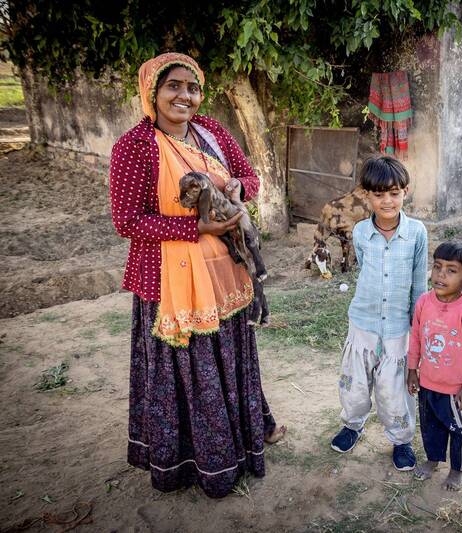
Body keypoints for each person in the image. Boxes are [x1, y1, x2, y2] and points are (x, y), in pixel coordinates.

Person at [109, 52, 284, 499]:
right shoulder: (135, 147)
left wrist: (238, 188)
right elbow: (127, 220)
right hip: (169, 282)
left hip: (224, 273)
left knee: (228, 358)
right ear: (152, 91)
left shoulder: (212, 133)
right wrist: (195, 226)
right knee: (186, 369)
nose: (184, 96)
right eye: (174, 86)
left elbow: (248, 176)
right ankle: (191, 461)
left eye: (192, 87)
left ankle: (246, 436)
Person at [330, 156, 428, 472]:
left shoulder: (417, 233)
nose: (387, 201)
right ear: (368, 195)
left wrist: (418, 328)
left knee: (394, 388)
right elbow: (363, 267)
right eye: (379, 194)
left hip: (400, 327)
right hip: (363, 321)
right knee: (355, 384)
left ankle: (401, 440)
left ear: (406, 192)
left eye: (395, 193)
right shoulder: (360, 232)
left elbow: (419, 281)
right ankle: (352, 425)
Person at [407, 242, 462, 491]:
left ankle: (457, 469)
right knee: (430, 426)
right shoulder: (423, 302)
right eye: (437, 266)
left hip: (454, 388)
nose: (441, 274)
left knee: (457, 430)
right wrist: (412, 369)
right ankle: (432, 459)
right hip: (427, 381)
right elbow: (416, 336)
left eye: (452, 270)